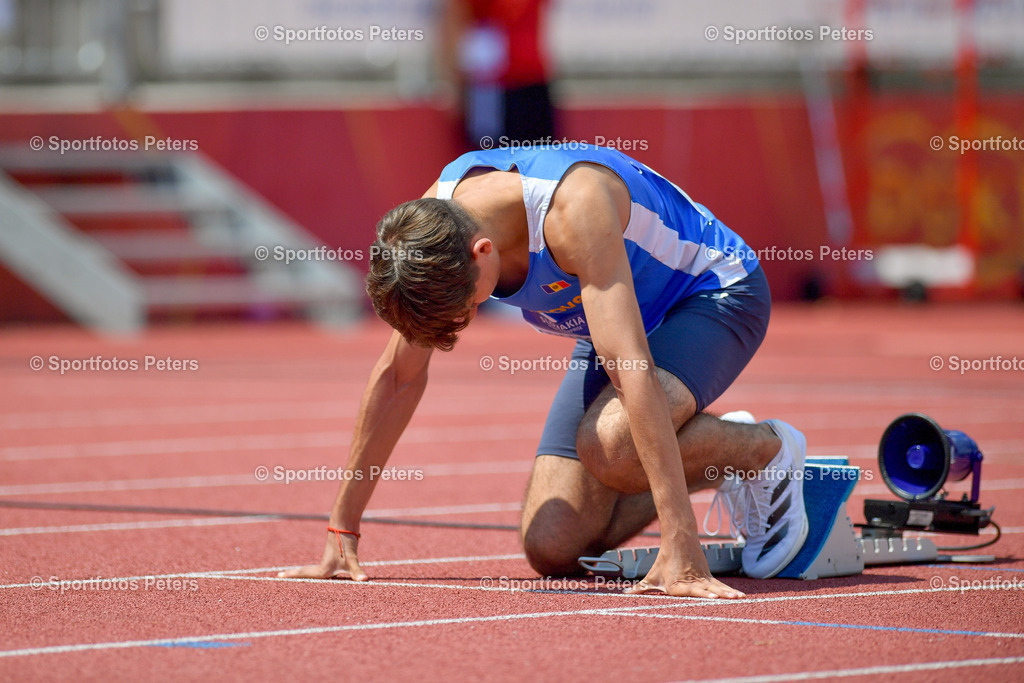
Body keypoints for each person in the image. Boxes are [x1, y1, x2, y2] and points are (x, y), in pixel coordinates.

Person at [280, 144, 809, 598]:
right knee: (553, 545)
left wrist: (681, 544)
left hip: (713, 294)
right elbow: (398, 377)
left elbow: (631, 368)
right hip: (611, 319)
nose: (460, 329)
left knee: (614, 448)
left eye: (462, 314)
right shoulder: (431, 231)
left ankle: (761, 450)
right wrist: (342, 525)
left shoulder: (575, 208)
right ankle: (704, 443)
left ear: (483, 251)